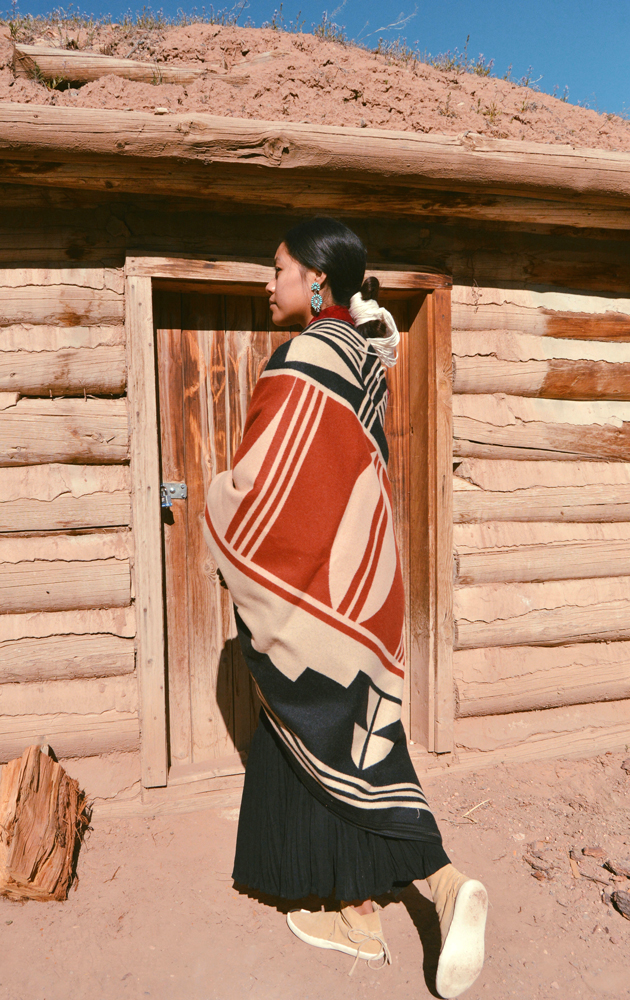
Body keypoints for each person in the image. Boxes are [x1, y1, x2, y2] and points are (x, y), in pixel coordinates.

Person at [204, 217, 488, 999]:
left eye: (278, 268)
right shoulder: (364, 358)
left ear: (317, 281)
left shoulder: (306, 359)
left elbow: (270, 487)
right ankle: (421, 891)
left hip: (313, 594)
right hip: (365, 587)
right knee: (358, 740)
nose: (269, 283)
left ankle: (377, 904)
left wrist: (216, 503)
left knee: (317, 734)